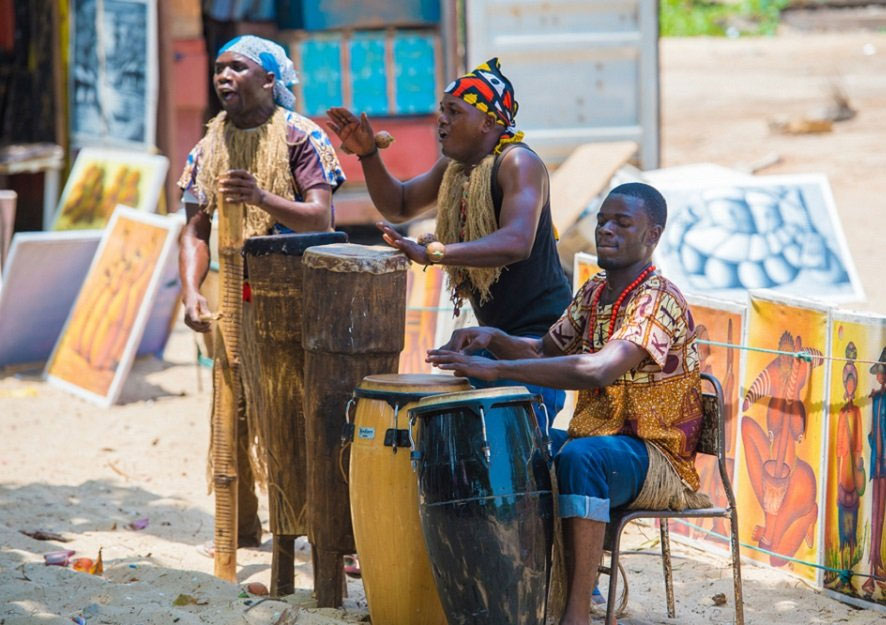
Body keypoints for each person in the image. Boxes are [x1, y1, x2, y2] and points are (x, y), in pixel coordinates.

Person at [427, 182, 709, 625]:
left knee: (581, 457)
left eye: (622, 223)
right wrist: (494, 339)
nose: (606, 231)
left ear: (652, 235)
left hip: (658, 457)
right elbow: (544, 351)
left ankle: (577, 610)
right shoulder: (596, 292)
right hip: (604, 445)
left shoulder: (657, 300)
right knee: (526, 448)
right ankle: (529, 587)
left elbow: (597, 370)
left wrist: (498, 370)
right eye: (601, 221)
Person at [326, 58, 572, 428]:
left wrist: (436, 253)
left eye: (454, 111)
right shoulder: (456, 168)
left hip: (536, 343)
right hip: (491, 338)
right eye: (442, 110)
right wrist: (368, 154)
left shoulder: (518, 163)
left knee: (514, 455)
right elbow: (401, 204)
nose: (441, 120)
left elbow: (516, 241)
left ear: (489, 122)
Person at [177, 35, 345, 552]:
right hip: (229, 292)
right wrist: (189, 293)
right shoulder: (206, 147)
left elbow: (321, 215)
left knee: (289, 408)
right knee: (233, 406)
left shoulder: (301, 136)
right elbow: (194, 232)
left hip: (290, 292)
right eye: (219, 68)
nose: (224, 76)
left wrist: (261, 197)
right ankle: (241, 530)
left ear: (271, 80)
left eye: (238, 68)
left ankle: (302, 527)